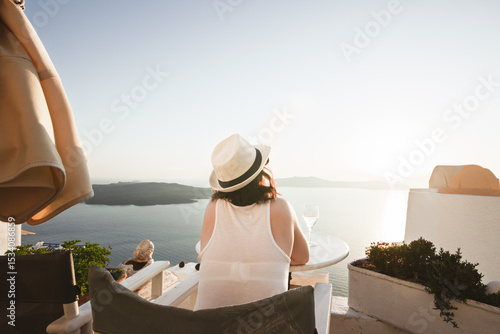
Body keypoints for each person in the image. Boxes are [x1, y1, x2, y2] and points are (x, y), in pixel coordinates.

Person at [194, 134, 309, 310]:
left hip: (205, 326)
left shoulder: (212, 207)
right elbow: (302, 257)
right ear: (260, 172)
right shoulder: (280, 207)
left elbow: (213, 255)